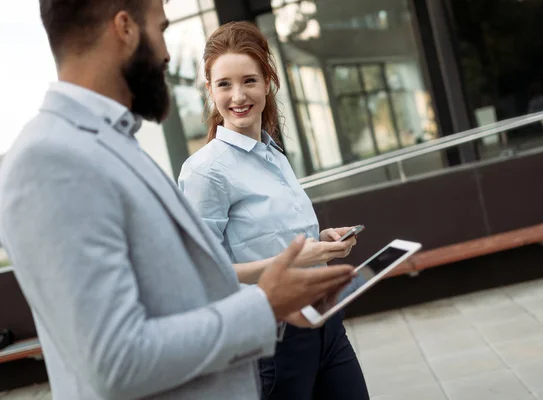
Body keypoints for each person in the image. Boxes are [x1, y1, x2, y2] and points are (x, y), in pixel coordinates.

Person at [0, 2, 356, 399]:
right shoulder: (49, 159)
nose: (167, 53)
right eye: (162, 28)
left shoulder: (112, 144)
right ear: (125, 28)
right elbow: (115, 361)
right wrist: (266, 305)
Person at [178, 21, 370, 400]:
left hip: (326, 325)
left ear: (268, 82)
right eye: (224, 84)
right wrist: (297, 259)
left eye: (249, 80)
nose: (238, 96)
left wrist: (320, 243)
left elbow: (267, 239)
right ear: (209, 91)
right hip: (273, 342)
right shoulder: (204, 172)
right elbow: (202, 277)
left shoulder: (273, 153)